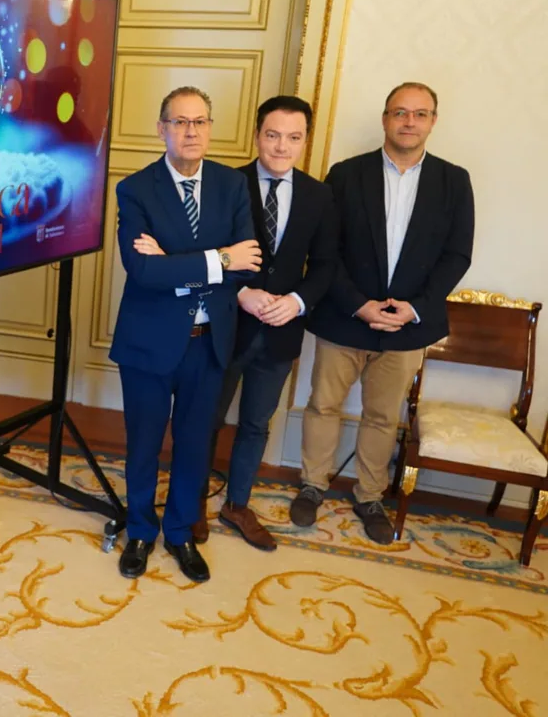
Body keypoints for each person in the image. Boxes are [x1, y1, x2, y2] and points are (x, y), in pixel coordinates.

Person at [290, 82, 474, 543]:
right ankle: (313, 485)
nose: (409, 122)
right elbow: (325, 250)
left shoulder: (454, 180)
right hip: (344, 316)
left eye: (420, 114)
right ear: (385, 118)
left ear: (433, 121)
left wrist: (413, 309)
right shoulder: (346, 174)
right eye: (400, 112)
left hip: (408, 324)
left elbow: (457, 255)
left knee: (381, 415)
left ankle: (370, 495)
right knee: (323, 404)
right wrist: (359, 305)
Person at [109, 86, 261, 583]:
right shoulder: (135, 189)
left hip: (209, 341)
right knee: (144, 444)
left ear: (210, 129)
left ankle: (178, 534)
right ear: (161, 129)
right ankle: (138, 531)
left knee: (195, 444)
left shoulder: (232, 186)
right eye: (179, 122)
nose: (190, 131)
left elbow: (248, 264)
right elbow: (142, 271)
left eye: (199, 122)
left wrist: (174, 261)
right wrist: (218, 258)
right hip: (149, 343)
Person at [191, 96, 337, 551]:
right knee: (207, 419)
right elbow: (203, 253)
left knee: (256, 424)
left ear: (305, 141)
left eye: (293, 137)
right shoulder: (222, 183)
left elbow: (327, 265)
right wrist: (240, 292)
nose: (281, 147)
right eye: (273, 135)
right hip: (225, 326)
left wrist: (296, 301)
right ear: (257, 135)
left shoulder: (319, 194)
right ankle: (191, 502)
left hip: (280, 333)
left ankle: (237, 504)